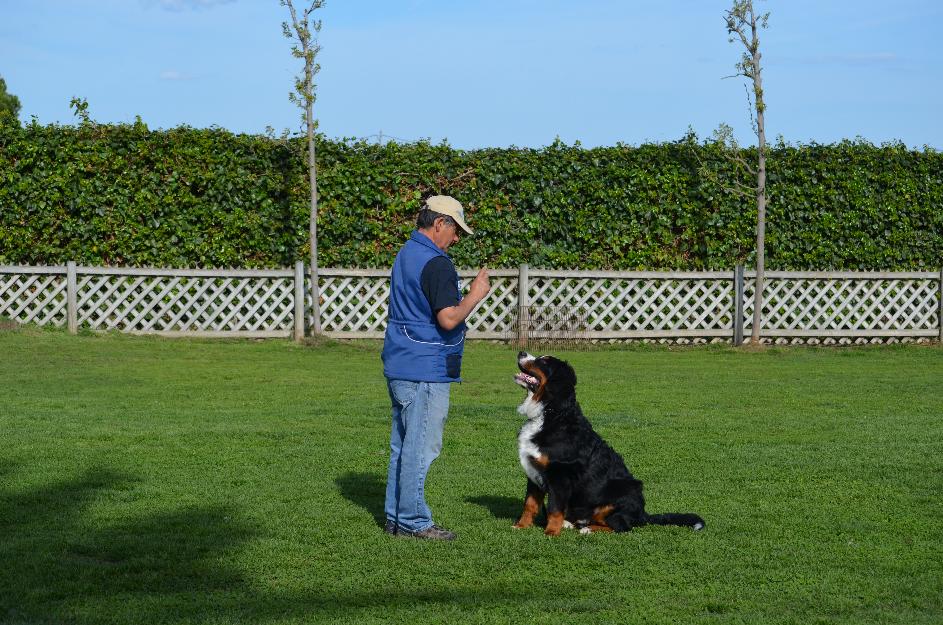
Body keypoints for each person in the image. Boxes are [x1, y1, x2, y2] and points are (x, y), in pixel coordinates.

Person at [381, 195, 491, 541]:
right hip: (425, 367)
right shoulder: (437, 263)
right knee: (421, 446)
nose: (457, 238)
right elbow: (448, 318)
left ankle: (396, 517)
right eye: (456, 230)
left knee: (403, 445)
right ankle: (413, 521)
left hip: (400, 361)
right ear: (440, 223)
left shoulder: (406, 253)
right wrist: (476, 293)